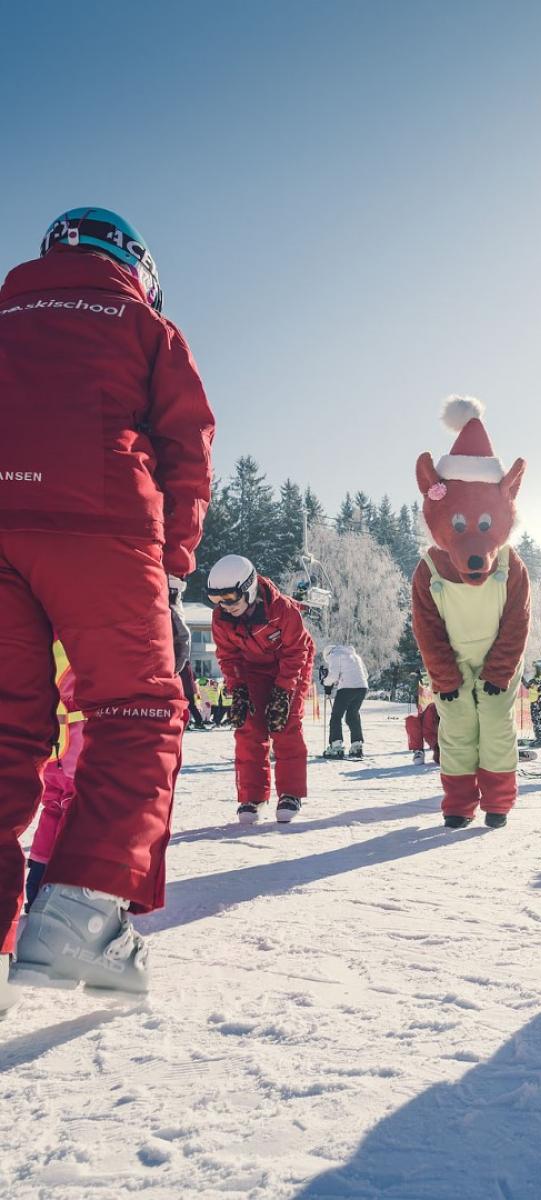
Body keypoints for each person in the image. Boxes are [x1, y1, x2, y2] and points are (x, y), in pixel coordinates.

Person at [1, 207, 213, 1003]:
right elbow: (186, 450)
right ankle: (81, 921)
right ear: (136, 264)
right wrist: (170, 572)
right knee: (136, 712)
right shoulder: (144, 325)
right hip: (101, 521)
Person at [412, 396, 531, 829]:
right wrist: (444, 675)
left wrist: (499, 672)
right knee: (457, 729)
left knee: (496, 728)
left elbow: (517, 621)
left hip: (497, 660)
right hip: (454, 662)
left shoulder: (510, 566)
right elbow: (426, 628)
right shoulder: (429, 570)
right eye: (459, 526)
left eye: (484, 526)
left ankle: (498, 802)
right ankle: (459, 804)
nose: (474, 545)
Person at [208, 554, 314, 824]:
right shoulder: (221, 619)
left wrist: (283, 691)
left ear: (249, 588)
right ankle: (251, 796)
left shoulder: (282, 610)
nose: (224, 606)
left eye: (230, 598)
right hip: (252, 668)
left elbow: (297, 652)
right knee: (248, 726)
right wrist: (238, 688)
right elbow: (228, 657)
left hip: (290, 663)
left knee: (284, 722)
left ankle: (290, 793)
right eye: (216, 600)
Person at [25, 641, 85, 909]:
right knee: (74, 804)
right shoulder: (79, 631)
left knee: (53, 804)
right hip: (79, 730)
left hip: (48, 733)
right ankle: (64, 887)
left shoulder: (36, 629)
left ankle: (36, 883)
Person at [321, 643, 369, 760]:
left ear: (327, 654)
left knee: (336, 716)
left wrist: (326, 683)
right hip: (362, 687)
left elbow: (333, 675)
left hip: (347, 688)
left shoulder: (335, 654)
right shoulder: (355, 655)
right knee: (352, 715)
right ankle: (357, 745)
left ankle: (336, 746)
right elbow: (365, 674)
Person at [523, 658, 541, 746]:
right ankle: (539, 738)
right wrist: (522, 678)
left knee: (539, 720)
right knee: (535, 720)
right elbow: (528, 686)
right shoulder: (535, 678)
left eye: (536, 668)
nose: (535, 670)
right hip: (534, 701)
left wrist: (533, 683)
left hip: (540, 701)